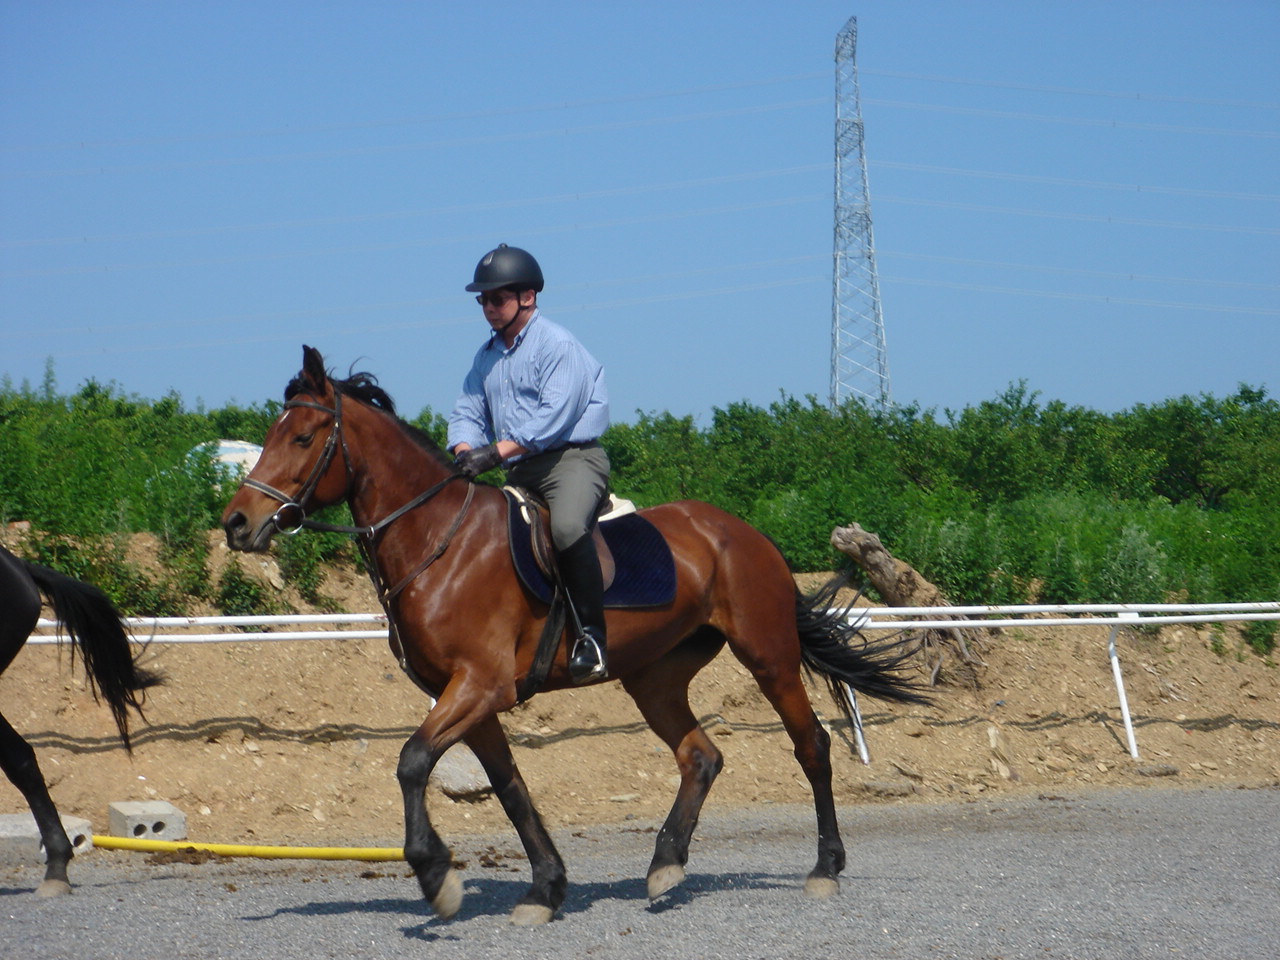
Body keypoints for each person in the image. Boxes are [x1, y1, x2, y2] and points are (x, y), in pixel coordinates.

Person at [447, 244, 612, 684]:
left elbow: (553, 417)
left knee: (565, 528)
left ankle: (593, 640)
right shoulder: (486, 357)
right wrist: (465, 451)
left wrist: (493, 452)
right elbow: (467, 410)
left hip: (570, 461)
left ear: (528, 297)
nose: (487, 307)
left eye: (496, 298)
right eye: (482, 299)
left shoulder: (557, 345)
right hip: (519, 469)